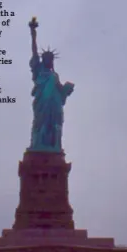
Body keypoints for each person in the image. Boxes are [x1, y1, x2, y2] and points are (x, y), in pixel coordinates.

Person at [28, 17, 74, 152]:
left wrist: (67, 89)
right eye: (46, 58)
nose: (48, 60)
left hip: (54, 104)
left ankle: (54, 145)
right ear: (43, 59)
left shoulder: (55, 76)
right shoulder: (39, 69)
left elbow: (61, 92)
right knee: (40, 123)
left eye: (50, 59)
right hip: (42, 103)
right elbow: (34, 50)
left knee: (55, 124)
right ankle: (38, 145)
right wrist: (33, 32)